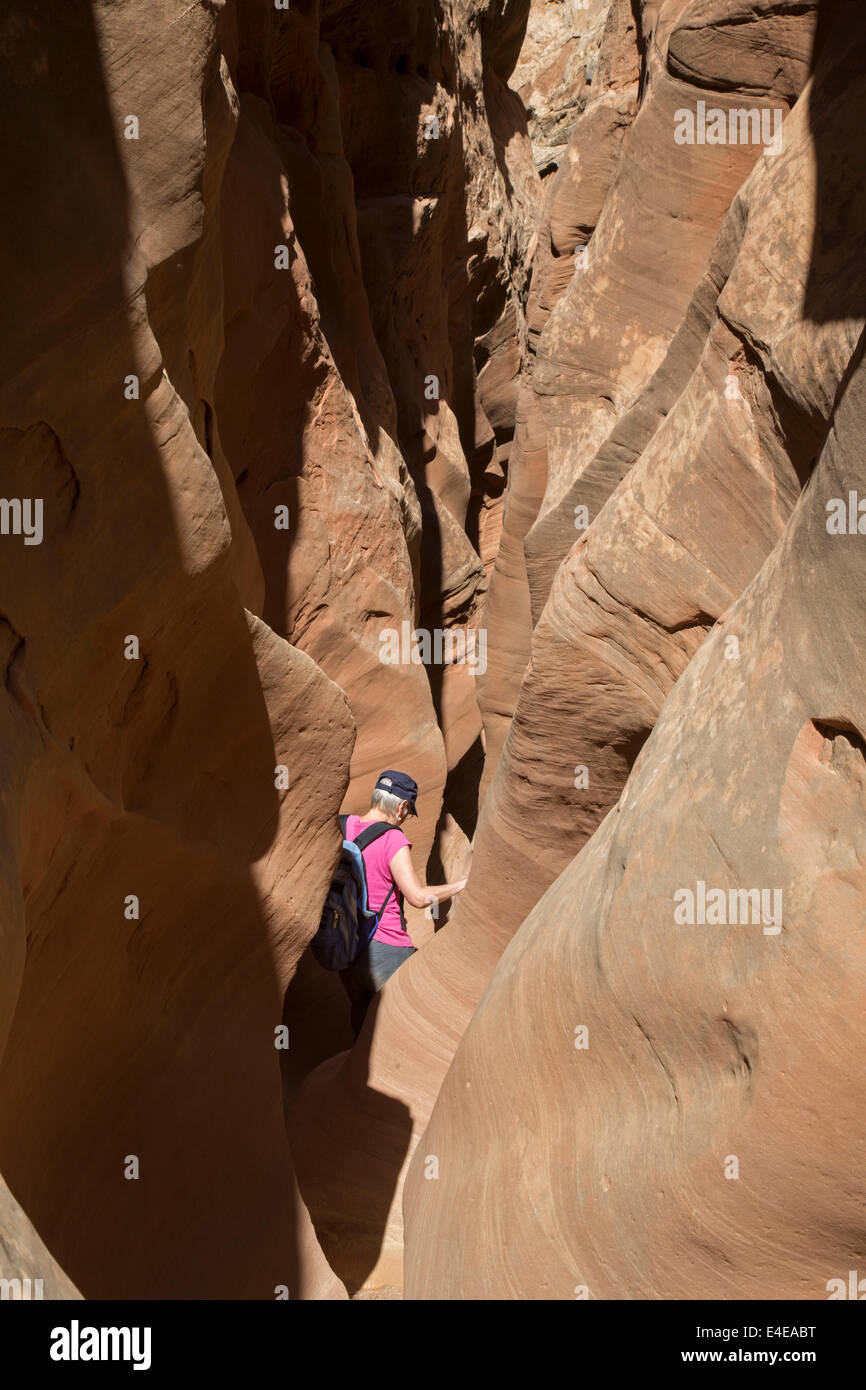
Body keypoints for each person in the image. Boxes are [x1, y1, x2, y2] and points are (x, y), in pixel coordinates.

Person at [339, 770, 467, 1037]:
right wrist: (461, 885)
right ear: (401, 806)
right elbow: (418, 898)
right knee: (404, 1029)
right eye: (408, 812)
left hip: (347, 947)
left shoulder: (344, 826)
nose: (405, 818)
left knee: (363, 1027)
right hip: (386, 948)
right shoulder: (392, 838)